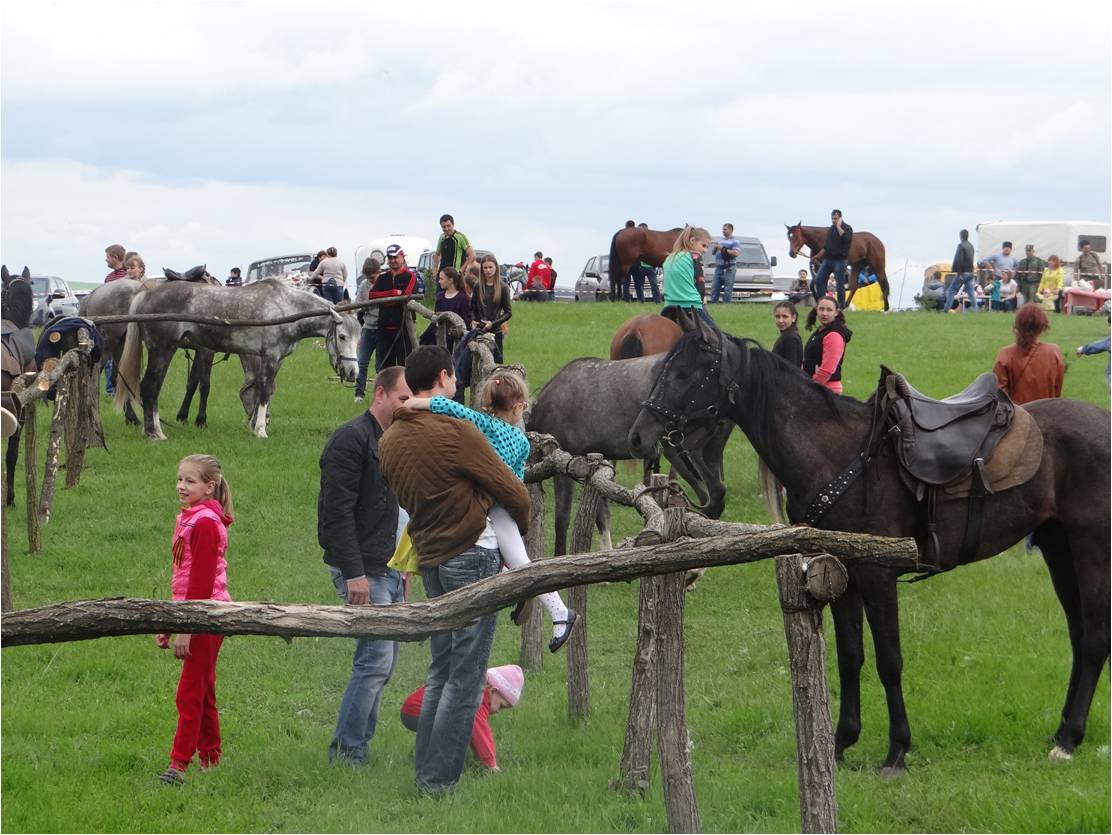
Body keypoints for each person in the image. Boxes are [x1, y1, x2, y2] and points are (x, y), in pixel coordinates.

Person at [379, 347, 531, 796]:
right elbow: (512, 489)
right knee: (465, 679)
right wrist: (513, 523)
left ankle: (426, 765)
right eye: (453, 378)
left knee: (442, 670)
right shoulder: (456, 429)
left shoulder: (388, 440)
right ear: (444, 377)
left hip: (431, 560)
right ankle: (437, 781)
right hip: (473, 553)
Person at [403, 369, 577, 652]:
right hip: (501, 506)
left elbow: (449, 406)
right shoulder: (521, 441)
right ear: (519, 406)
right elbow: (516, 482)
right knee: (518, 559)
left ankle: (555, 609)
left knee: (520, 562)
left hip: (487, 507)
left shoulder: (479, 423)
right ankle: (544, 603)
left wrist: (414, 403)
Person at [318, 366, 412, 765]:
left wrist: (405, 568)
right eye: (403, 398)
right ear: (380, 394)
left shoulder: (396, 440)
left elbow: (400, 510)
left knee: (381, 663)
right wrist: (355, 574)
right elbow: (334, 516)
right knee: (375, 660)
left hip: (388, 567)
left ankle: (356, 747)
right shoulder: (350, 440)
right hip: (362, 568)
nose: (409, 405)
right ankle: (347, 752)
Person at [155, 454, 235, 786]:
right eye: (179, 479)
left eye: (190, 481)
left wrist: (186, 629)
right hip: (194, 615)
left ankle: (178, 764)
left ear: (209, 486)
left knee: (189, 692)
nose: (181, 486)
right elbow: (184, 579)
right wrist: (171, 623)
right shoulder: (191, 518)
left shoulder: (204, 523)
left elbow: (201, 584)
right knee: (203, 689)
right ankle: (210, 757)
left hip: (206, 617)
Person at [400, 665, 524, 774]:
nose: (498, 711)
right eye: (501, 706)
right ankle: (438, 770)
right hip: (416, 711)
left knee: (455, 730)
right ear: (493, 691)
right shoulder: (477, 699)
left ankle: (429, 761)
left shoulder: (473, 686)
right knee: (453, 733)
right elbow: (480, 734)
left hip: (413, 709)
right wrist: (491, 765)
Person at [992, 303, 1064, 404]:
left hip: (1017, 417)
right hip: (1047, 414)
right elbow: (1057, 392)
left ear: (1017, 325)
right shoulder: (1054, 352)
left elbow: (1000, 397)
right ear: (1043, 326)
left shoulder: (1005, 354)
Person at [370, 244, 420, 370]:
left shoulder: (410, 276)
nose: (392, 260)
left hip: (403, 327)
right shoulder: (382, 277)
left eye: (395, 257)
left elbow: (405, 296)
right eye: (390, 258)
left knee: (405, 363)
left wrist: (384, 300)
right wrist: (392, 293)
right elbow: (372, 295)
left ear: (402, 257)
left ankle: (406, 389)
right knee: (385, 365)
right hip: (384, 327)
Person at [662, 225, 713, 327]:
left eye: (707, 247)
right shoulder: (695, 256)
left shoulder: (669, 257)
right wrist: (702, 303)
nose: (705, 250)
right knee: (716, 337)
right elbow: (700, 284)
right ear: (692, 241)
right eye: (703, 245)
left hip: (668, 306)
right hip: (690, 306)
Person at [803, 298, 852, 394]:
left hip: (825, 389)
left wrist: (811, 386)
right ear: (816, 310)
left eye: (829, 310)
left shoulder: (834, 335)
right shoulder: (820, 331)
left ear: (836, 312)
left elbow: (827, 369)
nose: (824, 313)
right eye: (821, 309)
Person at [419, 266, 472, 352]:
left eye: (442, 279)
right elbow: (436, 316)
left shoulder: (462, 298)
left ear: (450, 280)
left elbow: (466, 320)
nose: (439, 281)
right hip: (438, 333)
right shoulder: (440, 296)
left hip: (454, 338)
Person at [472, 253, 513, 362]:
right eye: (485, 267)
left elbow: (508, 312)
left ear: (496, 268)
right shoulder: (477, 286)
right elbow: (473, 307)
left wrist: (493, 323)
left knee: (496, 364)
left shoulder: (503, 287)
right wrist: (473, 320)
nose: (488, 270)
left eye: (490, 267)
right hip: (479, 330)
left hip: (496, 331)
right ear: (482, 269)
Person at [353, 258, 381, 403]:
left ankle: (379, 395)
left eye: (373, 277)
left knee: (380, 365)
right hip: (368, 328)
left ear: (379, 272)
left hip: (382, 328)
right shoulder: (364, 285)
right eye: (368, 277)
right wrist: (365, 305)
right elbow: (358, 304)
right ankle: (359, 394)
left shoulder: (384, 282)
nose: (371, 280)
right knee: (362, 362)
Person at [811, 210, 853, 309]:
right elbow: (826, 246)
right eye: (832, 218)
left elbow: (846, 239)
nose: (833, 221)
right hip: (828, 260)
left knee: (839, 284)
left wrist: (838, 226)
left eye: (835, 219)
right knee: (819, 280)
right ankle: (823, 303)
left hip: (840, 260)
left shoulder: (847, 228)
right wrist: (817, 256)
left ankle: (841, 306)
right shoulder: (831, 229)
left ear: (840, 218)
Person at [943, 229, 977, 313]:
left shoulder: (961, 246)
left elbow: (959, 260)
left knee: (951, 290)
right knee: (971, 292)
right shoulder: (971, 246)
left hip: (963, 272)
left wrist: (959, 273)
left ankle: (946, 309)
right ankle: (976, 310)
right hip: (970, 272)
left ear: (961, 236)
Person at [709, 222, 740, 304]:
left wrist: (723, 249)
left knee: (727, 288)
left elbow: (736, 253)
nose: (723, 231)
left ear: (731, 230)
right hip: (719, 268)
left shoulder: (735, 241)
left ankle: (726, 305)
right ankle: (713, 304)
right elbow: (713, 253)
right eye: (723, 229)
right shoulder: (720, 241)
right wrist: (715, 248)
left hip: (729, 268)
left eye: (725, 229)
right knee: (715, 287)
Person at [978, 241, 1017, 308]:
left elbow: (1016, 266)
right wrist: (991, 269)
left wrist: (1013, 274)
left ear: (1011, 249)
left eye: (1008, 248)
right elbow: (984, 260)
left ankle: (1006, 307)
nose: (1007, 249)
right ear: (1003, 248)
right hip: (998, 278)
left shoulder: (1013, 259)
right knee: (993, 293)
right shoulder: (997, 256)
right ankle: (989, 307)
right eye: (1005, 248)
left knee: (1008, 293)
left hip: (1008, 279)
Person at [771, 301, 803, 369]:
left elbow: (791, 368)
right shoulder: (787, 335)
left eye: (785, 317)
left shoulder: (790, 338)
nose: (780, 320)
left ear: (793, 317)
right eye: (777, 317)